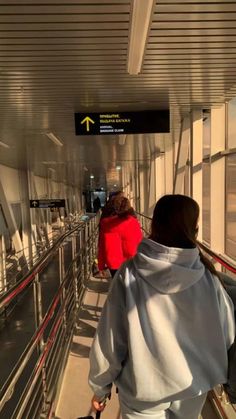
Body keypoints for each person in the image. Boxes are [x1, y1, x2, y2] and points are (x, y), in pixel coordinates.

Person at [89, 194, 235, 419]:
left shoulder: (129, 274)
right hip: (192, 388)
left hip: (142, 391)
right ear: (193, 230)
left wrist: (101, 387)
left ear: (154, 224)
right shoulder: (209, 278)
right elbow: (226, 335)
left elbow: (110, 339)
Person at [97, 195, 142, 277]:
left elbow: (102, 247)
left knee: (117, 285)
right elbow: (139, 242)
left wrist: (101, 266)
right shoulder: (133, 222)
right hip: (131, 262)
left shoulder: (106, 224)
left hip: (113, 264)